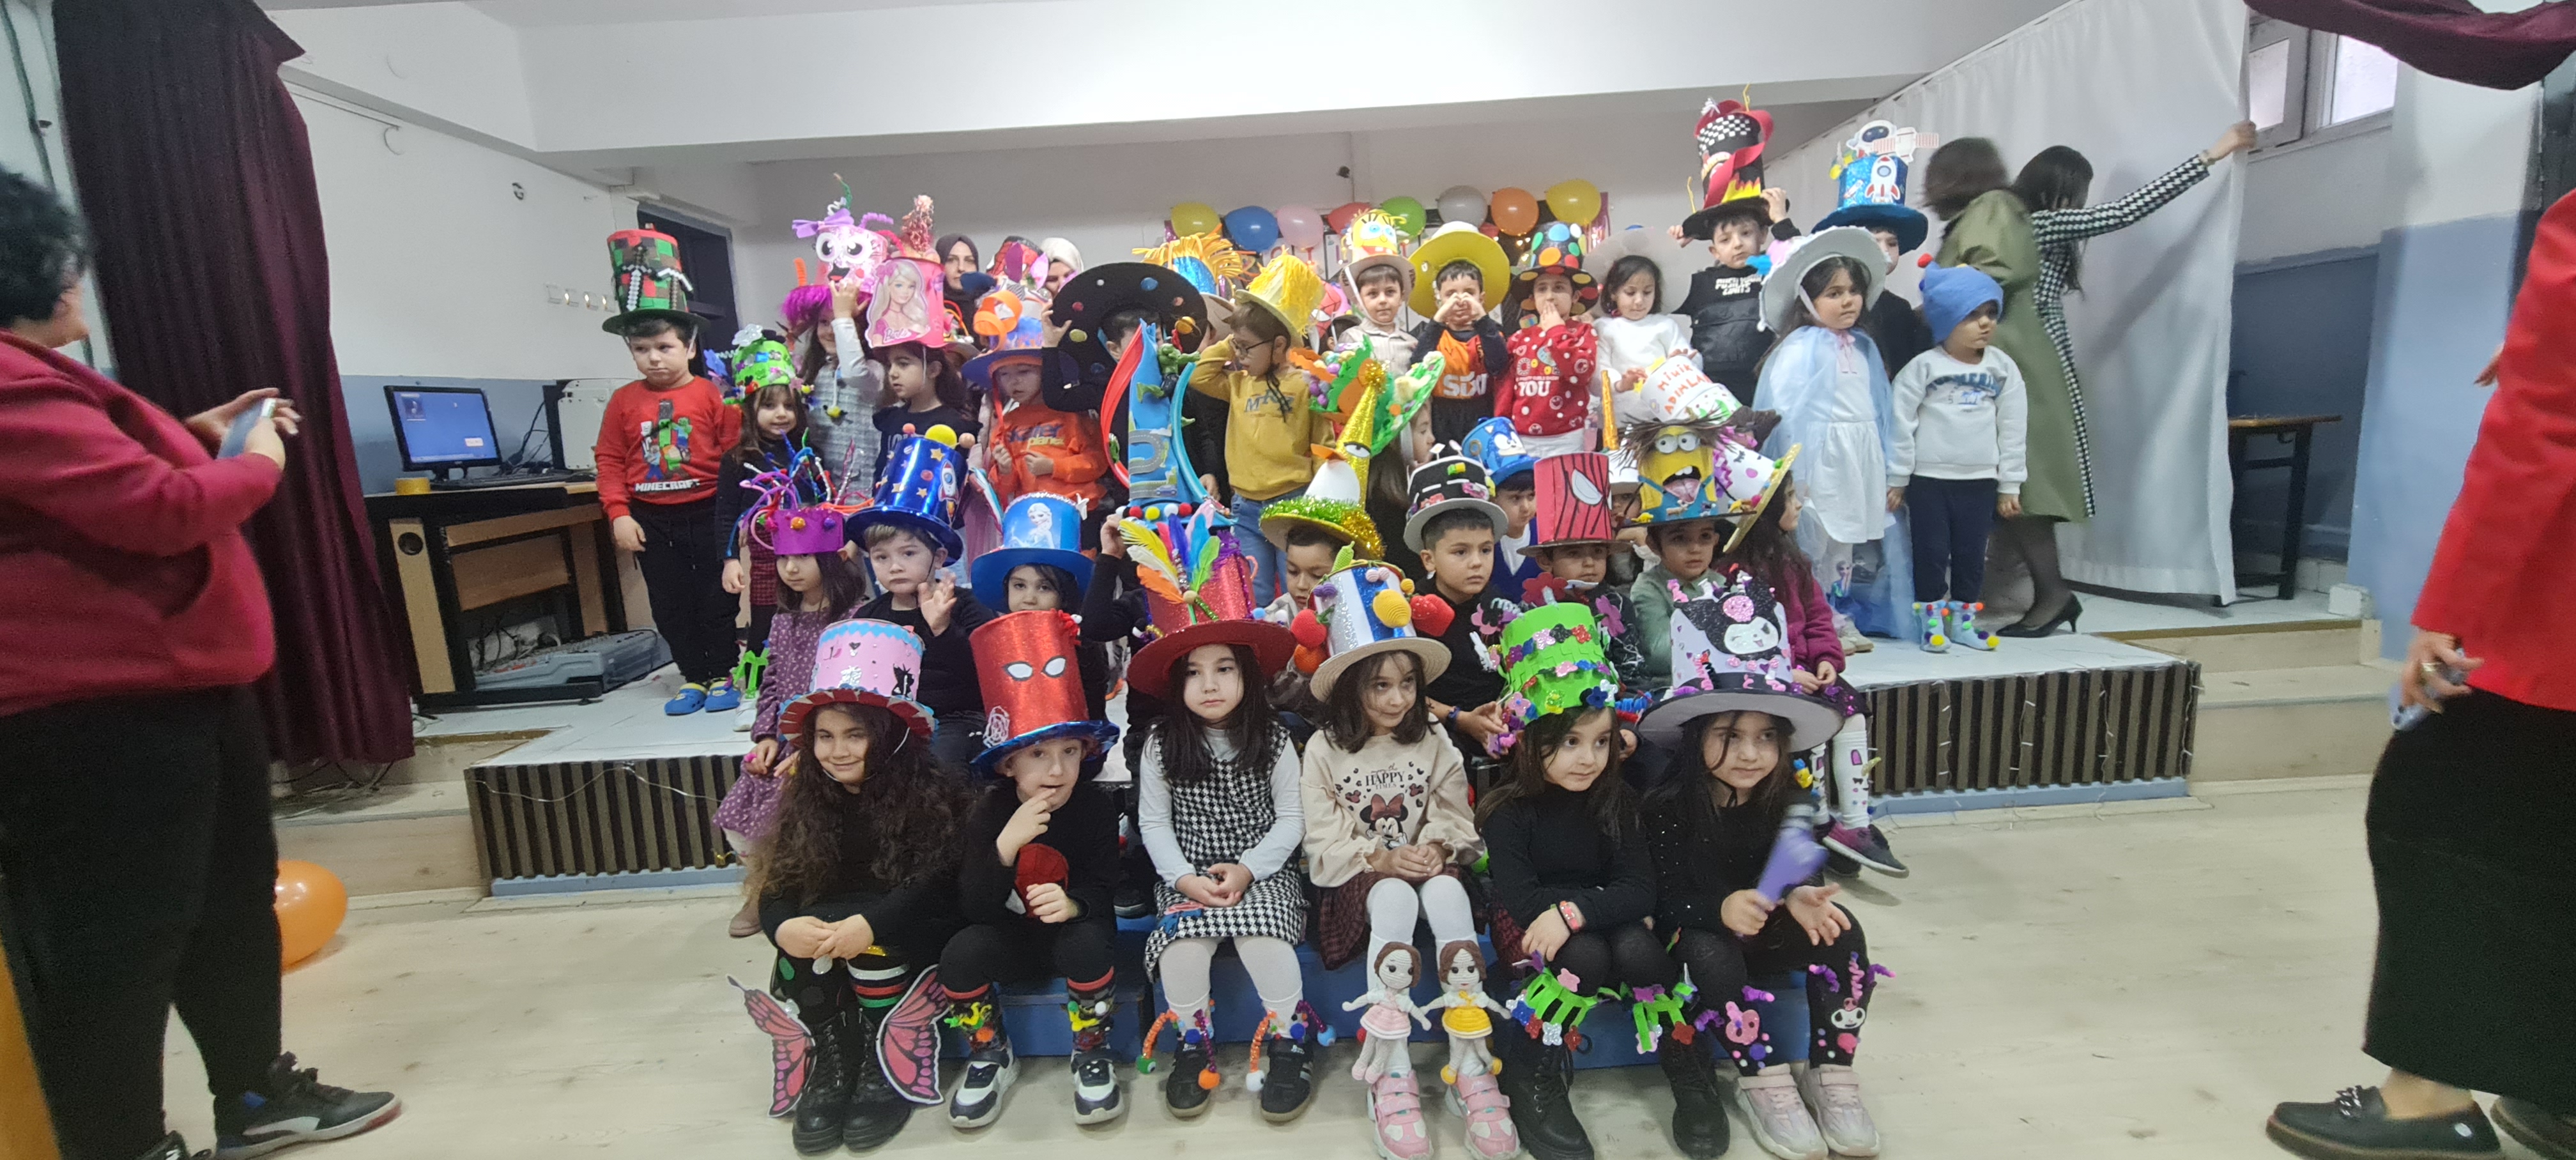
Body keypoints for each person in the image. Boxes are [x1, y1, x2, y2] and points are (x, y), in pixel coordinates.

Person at [0, 165, 398, 1160]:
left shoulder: (47, 379)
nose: (78, 283)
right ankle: (121, 1141)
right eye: (64, 265)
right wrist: (256, 460)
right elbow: (163, 511)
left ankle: (255, 1095)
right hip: (92, 715)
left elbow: (98, 486)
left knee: (229, 907)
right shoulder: (10, 384)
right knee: (118, 937)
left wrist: (193, 435)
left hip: (184, 694)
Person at [2262, 187, 2576, 1160]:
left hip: (2557, 634)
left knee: (2436, 819)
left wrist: (2454, 607)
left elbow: (2540, 433)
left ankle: (2428, 1096)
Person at [1926, 123, 2253, 636]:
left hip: (2017, 366)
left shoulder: (2006, 217)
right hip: (2030, 362)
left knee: (2018, 486)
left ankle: (2044, 593)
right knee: (2011, 487)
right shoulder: (2015, 219)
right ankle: (2025, 591)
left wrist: (2215, 153)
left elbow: (2122, 213)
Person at [1637, 574, 1887, 1160]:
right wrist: (1720, 907)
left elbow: (1801, 867)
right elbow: (1659, 900)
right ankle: (1762, 1077)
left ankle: (1831, 1071)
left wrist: (1801, 895)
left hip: (1769, 929)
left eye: (1766, 737)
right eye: (1730, 735)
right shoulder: (1665, 806)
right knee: (1707, 949)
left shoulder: (1792, 798)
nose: (1750, 754)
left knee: (1844, 930)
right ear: (1696, 737)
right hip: (1698, 938)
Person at [1297, 563, 1496, 1159]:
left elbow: (1456, 812)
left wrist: (1438, 846)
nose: (1397, 698)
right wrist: (1381, 859)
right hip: (1361, 880)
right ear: (1349, 687)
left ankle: (1471, 1057)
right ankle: (1391, 1064)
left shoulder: (1431, 735)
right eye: (1380, 686)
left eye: (1407, 684)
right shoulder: (1323, 748)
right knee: (1393, 896)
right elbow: (1322, 844)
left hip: (1430, 868)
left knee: (1447, 892)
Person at [760, 622, 965, 1154]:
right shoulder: (807, 795)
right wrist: (782, 928)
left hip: (908, 927)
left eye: (855, 735)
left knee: (871, 951)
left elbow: (932, 883)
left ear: (889, 735)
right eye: (825, 737)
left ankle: (881, 1058)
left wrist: (871, 924)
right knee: (801, 951)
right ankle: (833, 1058)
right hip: (840, 925)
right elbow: (777, 885)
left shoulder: (931, 790)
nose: (838, 752)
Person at [1474, 604, 1662, 1160]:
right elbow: (1525, 901)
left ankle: (1683, 1055)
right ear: (1530, 739)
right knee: (1588, 954)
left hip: (1581, 919)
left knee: (1639, 949)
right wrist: (1599, 905)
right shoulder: (1506, 811)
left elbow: (1642, 888)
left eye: (1602, 742)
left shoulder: (1616, 799)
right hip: (1529, 927)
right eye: (1570, 742)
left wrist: (1577, 911)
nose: (1588, 759)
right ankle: (1531, 1066)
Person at [938, 610, 1126, 1129]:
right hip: (1010, 939)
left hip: (1073, 937)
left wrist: (1075, 905)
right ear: (1008, 764)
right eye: (1039, 754)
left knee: (1088, 943)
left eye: (1070, 752)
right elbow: (974, 907)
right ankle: (989, 1054)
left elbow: (1107, 889)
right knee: (961, 952)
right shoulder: (989, 811)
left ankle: (1091, 1049)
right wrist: (1006, 846)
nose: (1058, 770)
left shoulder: (1093, 807)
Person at [1132, 637, 1317, 1122]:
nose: (1209, 685)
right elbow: (1154, 823)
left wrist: (1249, 868)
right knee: (1181, 949)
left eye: (1224, 669)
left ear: (1247, 676)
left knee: (1265, 940)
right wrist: (1183, 880)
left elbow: (1292, 818)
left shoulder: (1274, 738)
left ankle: (1290, 1039)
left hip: (1264, 872)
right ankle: (1194, 1042)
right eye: (1194, 673)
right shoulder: (1161, 743)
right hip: (1189, 873)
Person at [1714, 473, 1908, 877]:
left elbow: (1819, 616)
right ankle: (1818, 818)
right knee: (1810, 721)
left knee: (1850, 712)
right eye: (1789, 498)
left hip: (1809, 671)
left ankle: (1856, 822)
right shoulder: (1733, 573)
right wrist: (1784, 672)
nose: (1799, 505)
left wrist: (1826, 658)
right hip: (1771, 675)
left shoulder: (1794, 561)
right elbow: (1738, 639)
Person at [714, 493, 867, 938]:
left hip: (830, 741)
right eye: (783, 559)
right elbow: (772, 683)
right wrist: (765, 736)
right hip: (784, 740)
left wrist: (815, 747)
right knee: (743, 809)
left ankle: (779, 891)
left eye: (802, 558)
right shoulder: (783, 621)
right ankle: (763, 886)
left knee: (786, 807)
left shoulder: (854, 617)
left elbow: (855, 692)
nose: (791, 569)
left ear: (831, 560)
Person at [1753, 228, 1910, 645]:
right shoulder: (1800, 349)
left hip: (1857, 458)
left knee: (1845, 543)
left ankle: (1838, 614)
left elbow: (1881, 410)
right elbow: (1787, 412)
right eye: (1834, 293)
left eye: (1854, 291)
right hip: (1819, 459)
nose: (1848, 301)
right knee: (1814, 541)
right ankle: (1811, 618)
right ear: (1808, 300)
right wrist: (1794, 474)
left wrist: (1890, 467)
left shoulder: (1863, 347)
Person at [596, 310, 748, 716]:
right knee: (669, 603)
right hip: (650, 518)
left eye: (665, 347)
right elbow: (609, 459)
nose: (654, 358)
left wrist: (737, 515)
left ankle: (723, 672)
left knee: (717, 598)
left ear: (690, 348)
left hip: (709, 511)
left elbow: (735, 457)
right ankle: (693, 676)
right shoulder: (623, 401)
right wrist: (619, 514)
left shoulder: (713, 395)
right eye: (641, 349)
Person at [1889, 263, 2026, 653]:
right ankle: (1931, 625)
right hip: (1928, 480)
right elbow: (1900, 424)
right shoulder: (1923, 368)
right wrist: (1897, 478)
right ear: (1946, 318)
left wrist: (2010, 484)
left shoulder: (2002, 368)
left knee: (1971, 556)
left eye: (1991, 313)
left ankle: (1964, 624)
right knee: (1931, 554)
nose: (1985, 323)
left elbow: (2014, 426)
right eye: (1972, 315)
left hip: (1980, 481)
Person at [1193, 254, 1333, 606]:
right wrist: (1232, 340)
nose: (1239, 355)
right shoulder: (1238, 383)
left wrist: (1321, 502)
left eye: (1246, 348)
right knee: (1254, 592)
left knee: (1300, 592)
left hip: (1295, 503)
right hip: (1246, 507)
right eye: (1235, 347)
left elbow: (1322, 440)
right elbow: (1199, 375)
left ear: (1280, 345)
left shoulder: (1305, 383)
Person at [718, 356, 816, 728]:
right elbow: (725, 516)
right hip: (764, 560)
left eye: (789, 406)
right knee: (763, 623)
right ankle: (756, 695)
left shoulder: (807, 455)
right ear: (750, 410)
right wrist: (730, 560)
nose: (781, 414)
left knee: (808, 620)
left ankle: (806, 685)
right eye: (770, 406)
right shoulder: (737, 460)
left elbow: (821, 503)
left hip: (808, 558)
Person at [1405, 459, 1519, 774]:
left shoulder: (1499, 604)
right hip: (1440, 729)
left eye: (1486, 550)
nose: (1477, 563)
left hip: (1501, 721)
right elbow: (1405, 693)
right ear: (1429, 559)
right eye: (1460, 552)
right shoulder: (1410, 611)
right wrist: (1461, 719)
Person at [1675, 190, 1794, 407]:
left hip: (1768, 386)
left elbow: (1806, 266)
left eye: (1746, 233)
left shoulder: (1776, 273)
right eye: (1725, 240)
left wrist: (1781, 221)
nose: (1737, 244)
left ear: (1763, 235)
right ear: (1714, 251)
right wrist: (1669, 251)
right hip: (1712, 393)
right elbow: (1652, 295)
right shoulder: (1700, 284)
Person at [1497, 224, 1602, 457]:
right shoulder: (1519, 338)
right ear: (1533, 297)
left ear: (1575, 297)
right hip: (1522, 436)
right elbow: (1506, 388)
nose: (1550, 296)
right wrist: (1501, 425)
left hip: (1567, 437)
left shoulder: (1583, 333)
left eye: (1559, 288)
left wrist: (1557, 331)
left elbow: (1580, 373)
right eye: (1542, 289)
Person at [1406, 223, 1514, 448]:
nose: (1461, 300)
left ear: (1482, 298)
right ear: (1439, 299)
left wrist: (1482, 318)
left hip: (1482, 421)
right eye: (1451, 294)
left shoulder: (1491, 332)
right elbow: (1417, 365)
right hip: (1442, 424)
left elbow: (1499, 365)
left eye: (1470, 293)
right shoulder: (1432, 335)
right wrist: (1439, 318)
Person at [782, 277, 882, 492]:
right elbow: (774, 378)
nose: (830, 331)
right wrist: (791, 335)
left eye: (840, 322)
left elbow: (854, 372)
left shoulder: (875, 371)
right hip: (823, 490)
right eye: (824, 322)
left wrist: (844, 317)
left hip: (865, 491)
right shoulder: (813, 372)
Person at [1593, 253, 1697, 430]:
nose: (1639, 301)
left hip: (1663, 418)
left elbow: (1687, 358)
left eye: (1647, 292)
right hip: (1618, 420)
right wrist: (1620, 384)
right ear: (1613, 293)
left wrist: (1683, 362)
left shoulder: (1665, 325)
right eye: (1630, 292)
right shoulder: (1604, 328)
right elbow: (1599, 369)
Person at [866, 342, 977, 485]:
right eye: (890, 365)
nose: (892, 373)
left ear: (933, 370)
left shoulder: (955, 424)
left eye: (903, 364)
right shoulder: (892, 419)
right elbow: (881, 471)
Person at [1335, 208, 1420, 376]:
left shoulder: (1412, 344)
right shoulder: (1352, 338)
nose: (1383, 300)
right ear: (1359, 301)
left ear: (1401, 296)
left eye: (1390, 292)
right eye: (1373, 294)